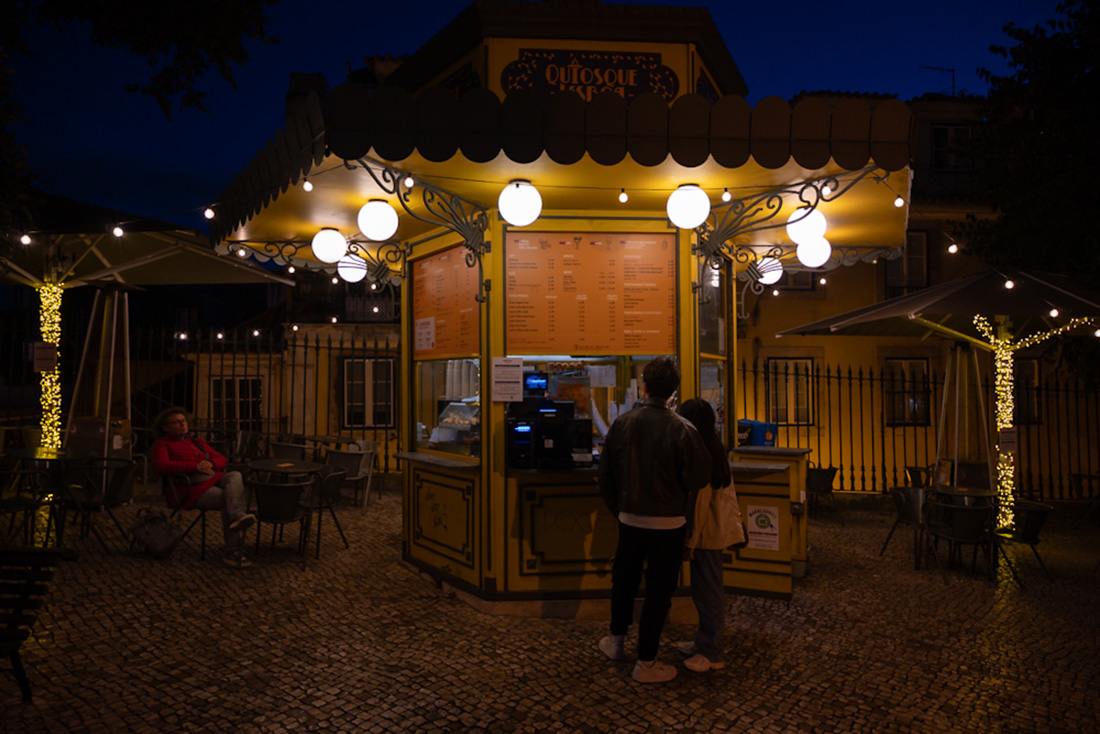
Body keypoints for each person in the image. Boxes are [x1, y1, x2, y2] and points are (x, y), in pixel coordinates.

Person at [597, 357, 710, 683]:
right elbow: (698, 477)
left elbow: (606, 476)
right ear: (672, 391)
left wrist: (620, 510)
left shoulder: (622, 424)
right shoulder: (684, 429)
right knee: (659, 592)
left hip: (630, 520)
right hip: (669, 525)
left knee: (624, 582)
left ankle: (616, 641)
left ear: (644, 386)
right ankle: (646, 662)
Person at [676, 397, 746, 673]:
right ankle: (704, 642)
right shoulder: (714, 448)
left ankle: (712, 651)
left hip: (706, 536)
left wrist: (690, 541)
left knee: (708, 593)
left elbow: (700, 505)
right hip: (714, 532)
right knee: (707, 590)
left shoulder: (701, 455)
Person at [150, 407, 256, 568]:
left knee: (235, 475)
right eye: (176, 422)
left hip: (213, 479)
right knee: (227, 499)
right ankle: (232, 551)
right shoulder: (162, 444)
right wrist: (194, 466)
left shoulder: (197, 443)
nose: (182, 424)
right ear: (165, 427)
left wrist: (210, 463)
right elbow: (161, 466)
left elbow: (221, 459)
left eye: (183, 421)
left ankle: (238, 517)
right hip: (188, 489)